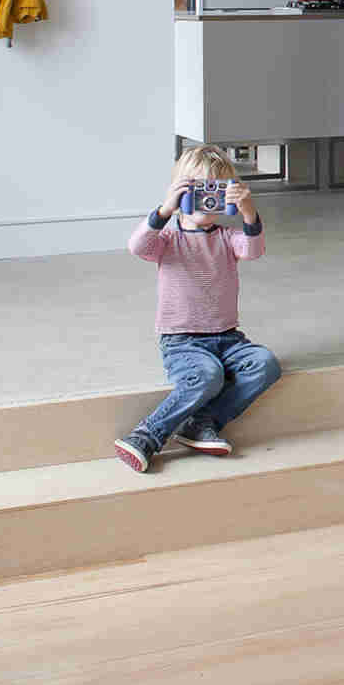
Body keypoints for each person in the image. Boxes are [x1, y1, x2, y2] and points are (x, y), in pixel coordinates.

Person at [113, 145, 281, 472]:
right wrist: (165, 209)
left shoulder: (228, 236)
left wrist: (248, 212)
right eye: (199, 190)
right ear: (181, 192)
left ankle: (202, 423)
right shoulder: (168, 238)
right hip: (182, 340)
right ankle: (147, 435)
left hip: (228, 338)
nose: (208, 199)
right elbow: (138, 246)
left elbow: (253, 250)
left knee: (265, 364)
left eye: (216, 191)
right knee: (207, 376)